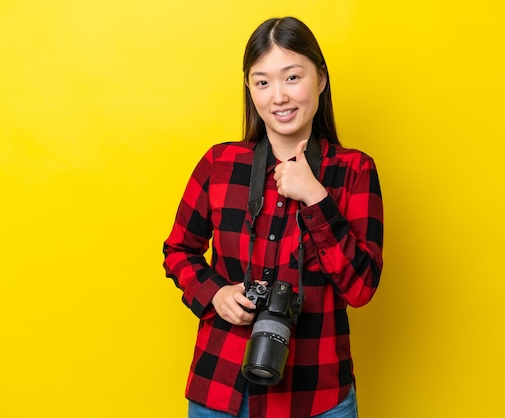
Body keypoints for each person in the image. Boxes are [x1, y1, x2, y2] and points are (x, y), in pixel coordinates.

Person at [163, 16, 383, 418]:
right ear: (249, 89)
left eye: (292, 77)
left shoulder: (355, 172)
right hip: (222, 392)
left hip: (318, 397)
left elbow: (361, 288)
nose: (278, 96)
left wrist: (315, 196)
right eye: (262, 82)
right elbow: (179, 250)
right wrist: (216, 292)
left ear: (320, 79)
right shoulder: (219, 164)